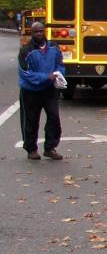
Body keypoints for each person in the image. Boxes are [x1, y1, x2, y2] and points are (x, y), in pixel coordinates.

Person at [18, 22, 64, 160]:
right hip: (31, 91)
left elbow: (60, 64)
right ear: (31, 33)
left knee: (54, 117)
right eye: (36, 31)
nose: (39, 33)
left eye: (41, 31)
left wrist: (58, 75)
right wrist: (46, 77)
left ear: (44, 31)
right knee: (31, 120)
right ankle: (31, 149)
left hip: (49, 90)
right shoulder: (26, 50)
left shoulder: (53, 47)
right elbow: (25, 73)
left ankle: (50, 148)